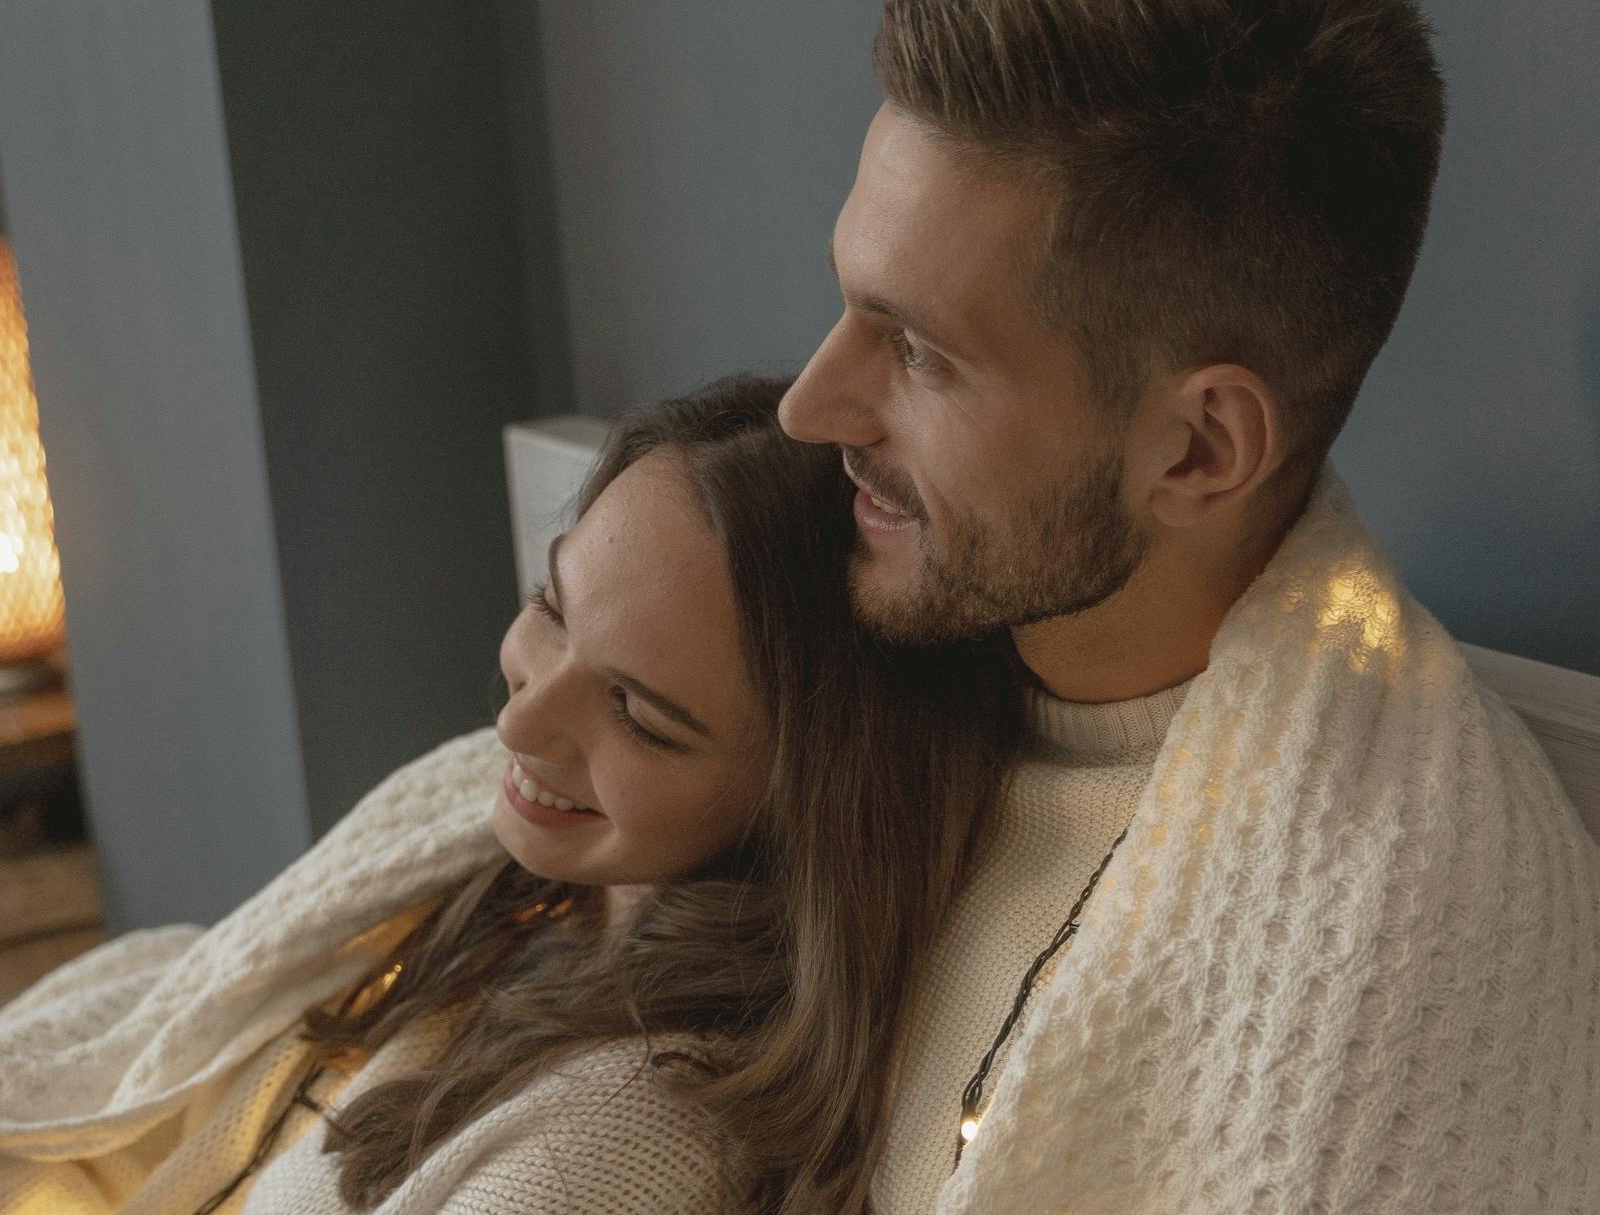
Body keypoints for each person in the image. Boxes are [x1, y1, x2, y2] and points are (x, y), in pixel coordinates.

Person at [777, 0, 1600, 1211]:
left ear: (1200, 448)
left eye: (918, 354)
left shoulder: (1403, 954)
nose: (811, 407)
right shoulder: (794, 648)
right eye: (849, 305)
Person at [0, 375, 1021, 1214]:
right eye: (554, 607)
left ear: (807, 799)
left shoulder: (617, 1149)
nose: (517, 725)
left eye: (640, 714)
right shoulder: (531, 899)